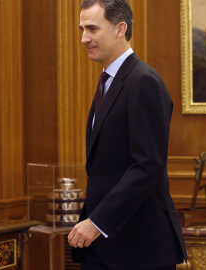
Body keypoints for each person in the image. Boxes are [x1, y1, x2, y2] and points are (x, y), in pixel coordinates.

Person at [68, 0, 187, 269]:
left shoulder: (143, 81)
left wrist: (97, 222)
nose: (84, 38)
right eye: (81, 29)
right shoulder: (109, 81)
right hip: (104, 246)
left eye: (92, 29)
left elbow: (148, 166)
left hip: (138, 248)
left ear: (120, 28)